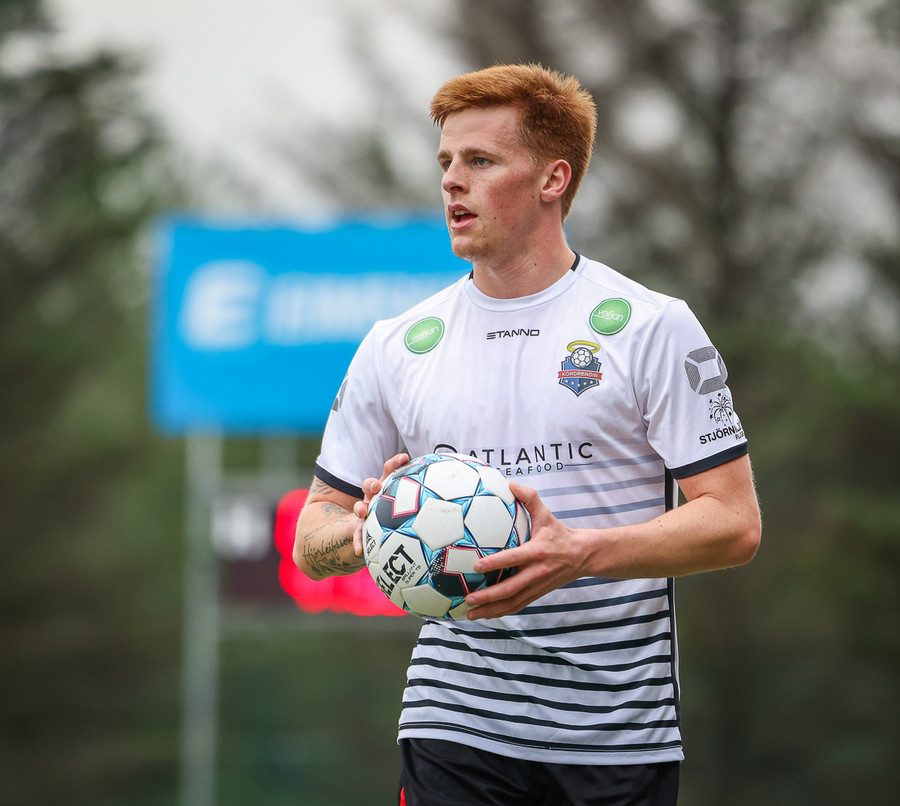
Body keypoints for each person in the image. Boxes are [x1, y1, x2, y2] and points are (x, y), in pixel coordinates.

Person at [294, 63, 761, 806]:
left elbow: (734, 524)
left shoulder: (651, 328)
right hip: (454, 726)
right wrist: (372, 530)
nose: (453, 182)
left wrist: (580, 555)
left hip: (616, 737)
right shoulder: (396, 344)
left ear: (553, 179)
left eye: (481, 160)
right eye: (446, 162)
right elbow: (309, 540)